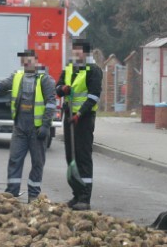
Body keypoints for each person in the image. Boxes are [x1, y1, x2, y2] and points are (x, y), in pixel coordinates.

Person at [0, 50, 56, 202]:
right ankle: (11, 193)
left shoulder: (45, 79)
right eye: (25, 60)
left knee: (37, 162)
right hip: (20, 127)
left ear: (35, 61)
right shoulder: (17, 76)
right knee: (15, 159)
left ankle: (34, 196)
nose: (27, 63)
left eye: (30, 60)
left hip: (37, 128)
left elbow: (51, 103)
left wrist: (46, 126)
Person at [56, 39, 102, 211]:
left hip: (84, 120)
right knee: (71, 157)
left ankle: (85, 197)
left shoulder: (94, 70)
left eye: (79, 50)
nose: (75, 53)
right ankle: (76, 195)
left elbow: (94, 96)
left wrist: (80, 113)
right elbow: (57, 87)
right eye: (74, 50)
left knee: (83, 157)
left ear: (86, 52)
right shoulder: (69, 67)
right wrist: (63, 89)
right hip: (69, 118)